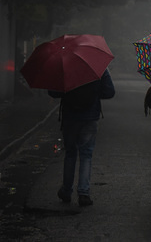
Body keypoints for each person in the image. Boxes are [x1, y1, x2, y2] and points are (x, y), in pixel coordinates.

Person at [49, 68, 115, 206]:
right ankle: (84, 193)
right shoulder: (99, 68)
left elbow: (53, 92)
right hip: (90, 117)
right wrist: (94, 94)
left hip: (70, 117)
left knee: (70, 153)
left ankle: (66, 191)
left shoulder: (65, 67)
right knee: (86, 155)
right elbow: (110, 92)